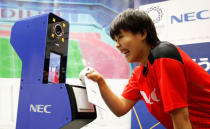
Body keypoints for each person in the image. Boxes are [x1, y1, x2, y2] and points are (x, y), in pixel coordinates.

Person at [86, 8, 210, 129]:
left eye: (121, 37)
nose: (117, 45)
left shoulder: (164, 56)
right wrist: (100, 82)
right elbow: (120, 108)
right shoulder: (139, 72)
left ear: (142, 33)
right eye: (115, 40)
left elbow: (181, 119)